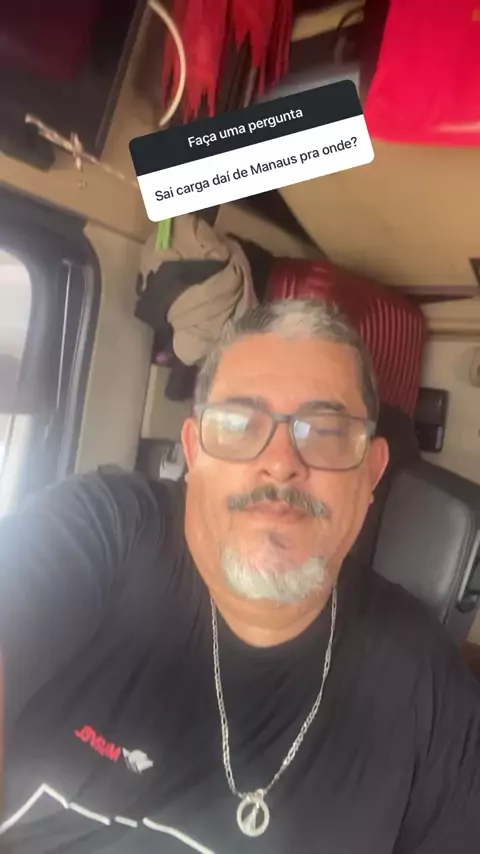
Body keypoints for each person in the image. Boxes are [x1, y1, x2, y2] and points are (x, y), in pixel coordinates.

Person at [0, 299, 479, 854]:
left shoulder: (425, 688)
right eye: (237, 423)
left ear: (371, 474)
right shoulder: (99, 532)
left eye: (325, 431)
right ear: (193, 452)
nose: (281, 462)